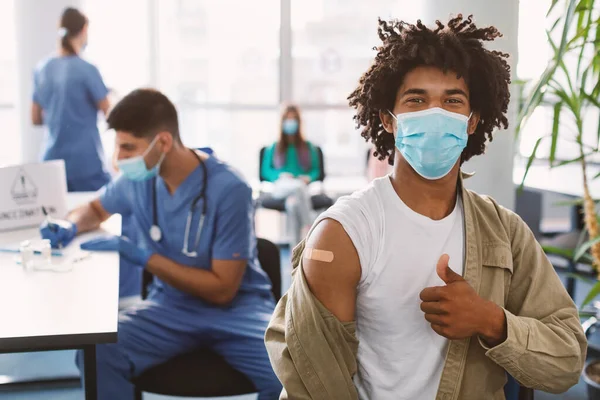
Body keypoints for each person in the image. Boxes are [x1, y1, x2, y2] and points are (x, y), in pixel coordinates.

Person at [265, 15, 586, 399]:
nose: (436, 113)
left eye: (453, 101)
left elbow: (567, 361)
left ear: (472, 122)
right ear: (388, 119)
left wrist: (491, 320)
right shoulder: (343, 234)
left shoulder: (505, 232)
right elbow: (313, 381)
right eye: (416, 100)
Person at [40, 89, 281, 400]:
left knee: (294, 372)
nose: (119, 160)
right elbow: (96, 209)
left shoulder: (230, 189)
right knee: (97, 353)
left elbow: (223, 290)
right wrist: (70, 223)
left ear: (163, 142)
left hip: (238, 311)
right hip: (170, 307)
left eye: (128, 148)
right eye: (117, 147)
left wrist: (144, 257)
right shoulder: (137, 181)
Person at [32, 7, 111, 192]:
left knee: (55, 218)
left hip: (51, 164)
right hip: (85, 164)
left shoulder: (42, 68)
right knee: (91, 216)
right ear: (84, 31)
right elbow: (109, 113)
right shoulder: (87, 69)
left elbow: (35, 118)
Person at [261, 104, 321, 247]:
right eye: (287, 119)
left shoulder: (309, 147)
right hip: (281, 186)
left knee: (293, 206)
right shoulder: (274, 147)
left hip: (299, 191)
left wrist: (308, 178)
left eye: (293, 119)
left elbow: (316, 170)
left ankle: (295, 255)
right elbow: (266, 171)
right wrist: (280, 176)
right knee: (298, 187)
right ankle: (313, 227)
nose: (290, 122)